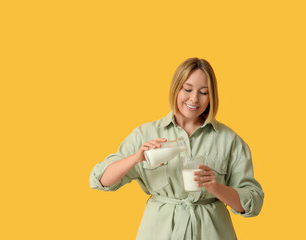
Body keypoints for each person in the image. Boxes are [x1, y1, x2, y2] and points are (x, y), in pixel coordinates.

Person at [89, 57, 264, 240]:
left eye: (204, 92)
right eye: (187, 89)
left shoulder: (229, 140)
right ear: (175, 88)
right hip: (159, 233)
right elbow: (99, 180)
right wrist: (136, 158)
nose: (194, 99)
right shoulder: (145, 133)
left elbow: (253, 203)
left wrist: (215, 188)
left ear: (212, 95)